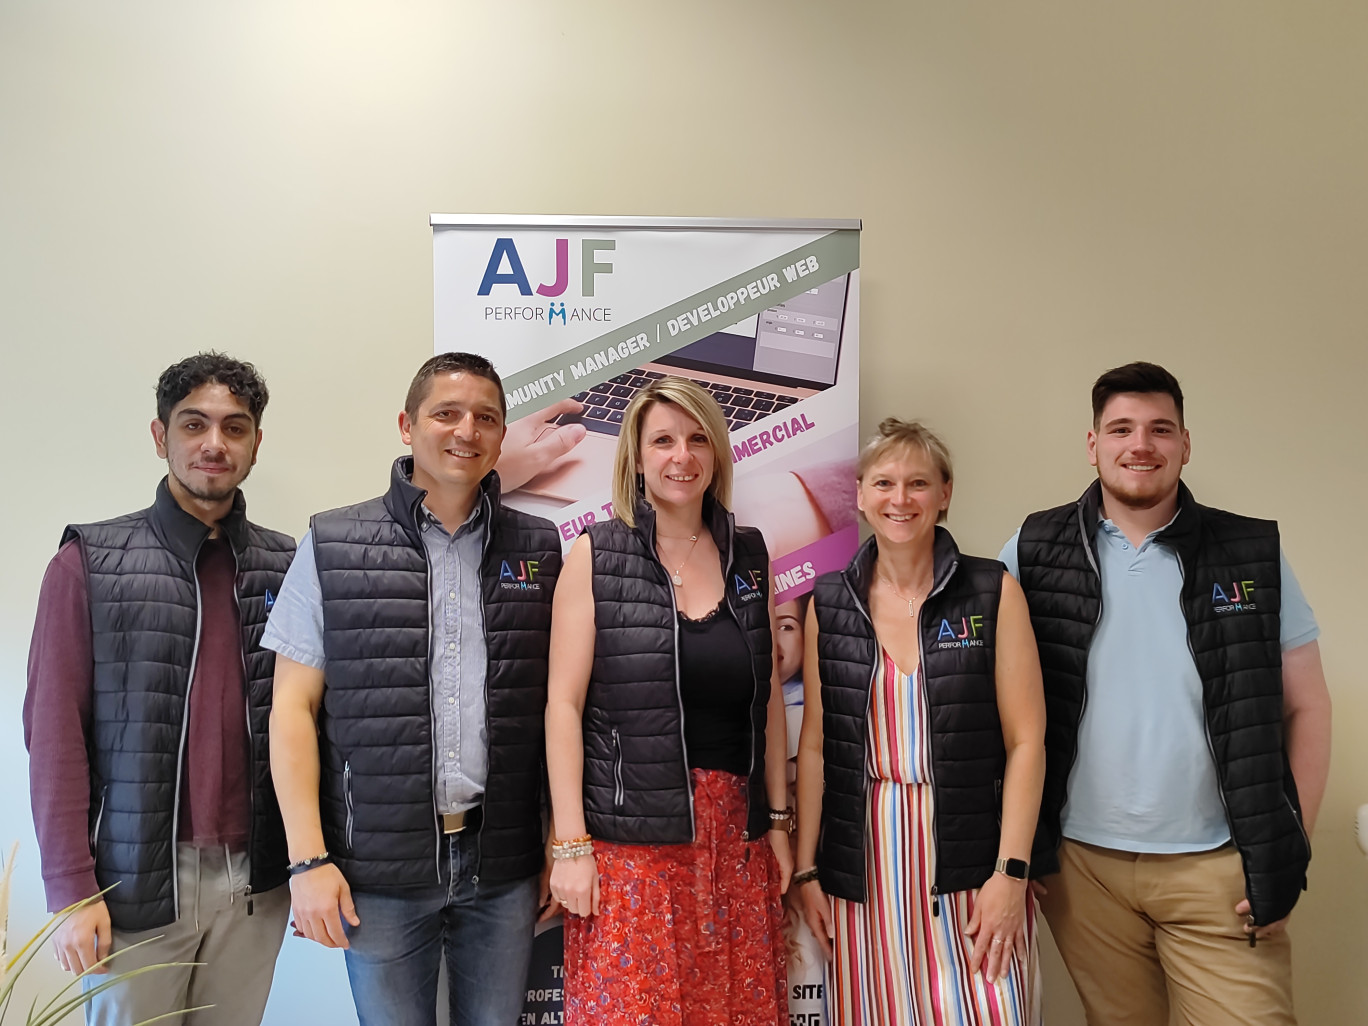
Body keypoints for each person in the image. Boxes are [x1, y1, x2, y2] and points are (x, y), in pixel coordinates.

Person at [1001, 362, 1332, 1026]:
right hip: (1081, 868)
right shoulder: (1032, 548)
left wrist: (1286, 846)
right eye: (1120, 429)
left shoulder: (1250, 552)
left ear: (1185, 443)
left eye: (1159, 429)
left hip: (1218, 868)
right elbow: (998, 711)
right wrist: (1019, 849)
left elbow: (1308, 706)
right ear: (1093, 444)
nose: (1140, 445)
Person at [265, 352, 562, 1026]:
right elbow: (291, 709)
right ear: (407, 425)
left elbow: (550, 710)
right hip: (378, 871)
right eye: (446, 413)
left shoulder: (539, 549)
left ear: (503, 436)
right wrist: (307, 858)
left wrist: (551, 842)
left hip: (502, 867)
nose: (467, 430)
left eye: (487, 417)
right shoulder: (333, 543)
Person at [24, 352, 295, 1026]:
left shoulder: (289, 565)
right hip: (134, 884)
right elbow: (53, 732)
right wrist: (71, 891)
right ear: (159, 436)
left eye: (235, 428)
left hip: (253, 885)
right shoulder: (87, 562)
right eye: (194, 424)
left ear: (256, 443)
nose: (214, 444)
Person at [545, 376, 794, 1025]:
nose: (680, 456)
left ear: (715, 453)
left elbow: (766, 700)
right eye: (662, 440)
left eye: (696, 439)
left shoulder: (751, 556)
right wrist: (569, 846)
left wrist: (778, 822)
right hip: (632, 852)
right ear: (636, 455)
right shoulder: (595, 556)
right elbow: (563, 708)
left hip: (735, 846)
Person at [795, 418, 1045, 1025]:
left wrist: (1011, 872)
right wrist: (806, 869)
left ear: (945, 493)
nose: (899, 499)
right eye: (883, 483)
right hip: (865, 866)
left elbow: (1027, 741)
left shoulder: (991, 591)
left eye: (917, 483)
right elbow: (817, 748)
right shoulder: (829, 603)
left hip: (969, 865)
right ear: (859, 494)